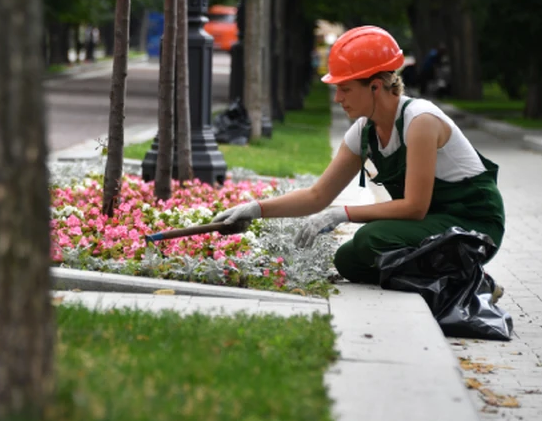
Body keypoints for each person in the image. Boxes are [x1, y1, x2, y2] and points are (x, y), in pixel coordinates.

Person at [212, 25, 505, 285]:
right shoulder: (364, 131)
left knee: (371, 239)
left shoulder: (420, 121)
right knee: (349, 260)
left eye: (345, 89)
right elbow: (317, 196)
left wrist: (344, 214)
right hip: (435, 221)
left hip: (474, 227)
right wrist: (255, 209)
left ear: (376, 86)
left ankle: (470, 280)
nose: (338, 99)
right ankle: (448, 278)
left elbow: (416, 206)